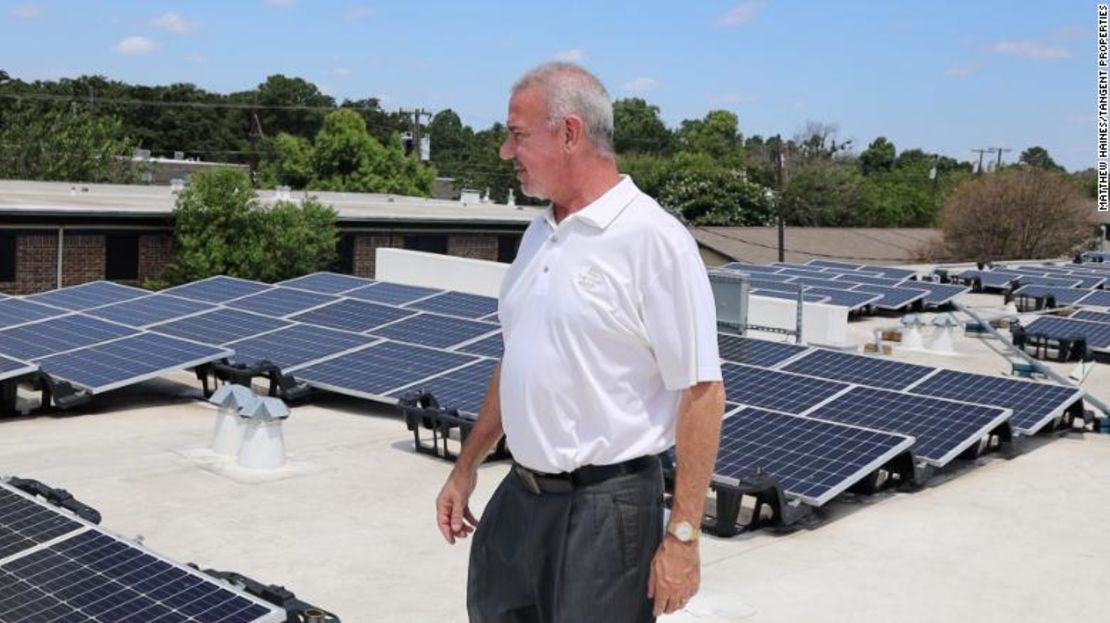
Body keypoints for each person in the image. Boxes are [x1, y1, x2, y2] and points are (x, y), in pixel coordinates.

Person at [435, 62, 725, 623]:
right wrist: (466, 464)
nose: (504, 151)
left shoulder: (654, 241)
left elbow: (703, 391)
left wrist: (683, 536)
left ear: (569, 133)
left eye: (517, 135)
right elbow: (518, 357)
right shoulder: (538, 234)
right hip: (521, 498)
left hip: (606, 508)